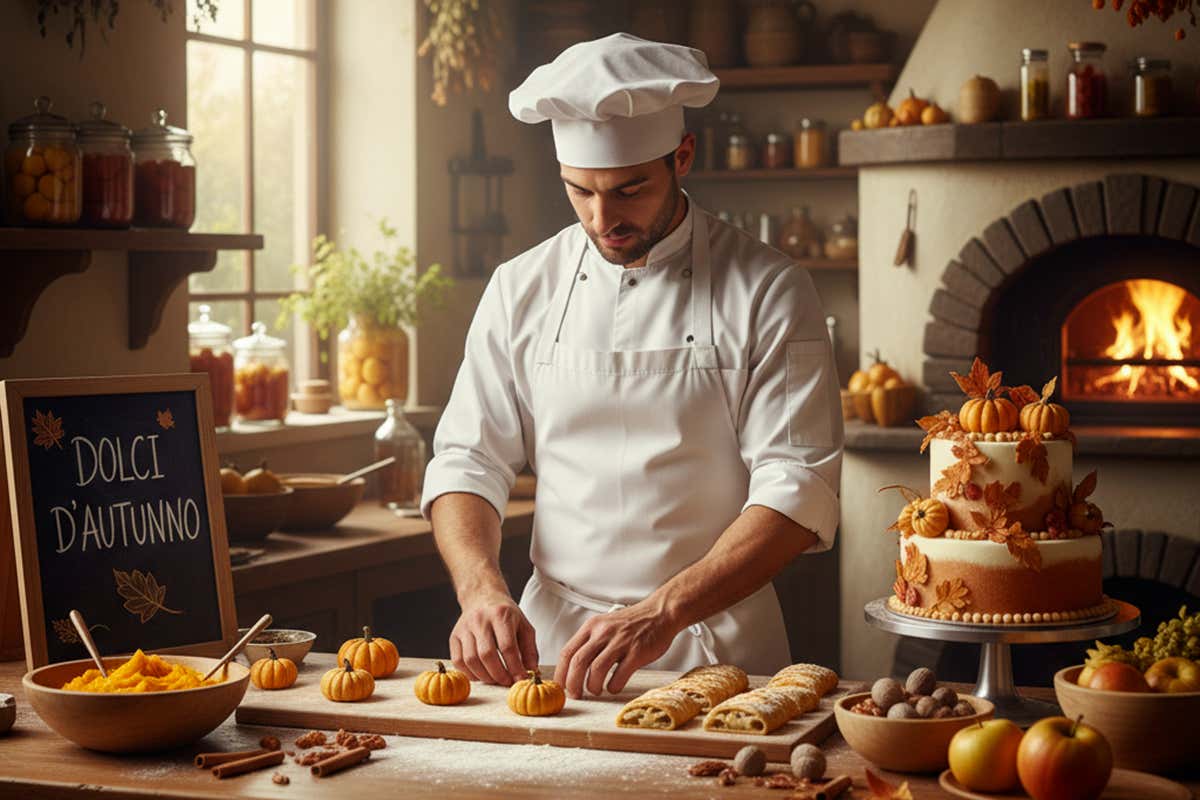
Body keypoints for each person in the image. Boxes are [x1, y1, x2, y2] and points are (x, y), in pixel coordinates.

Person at [422, 33, 842, 700]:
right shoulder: (519, 286)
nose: (602, 218)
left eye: (628, 189)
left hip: (716, 650)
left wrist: (662, 612)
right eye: (579, 192)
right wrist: (479, 593)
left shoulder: (768, 287)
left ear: (683, 155)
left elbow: (797, 489)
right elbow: (468, 461)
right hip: (552, 649)